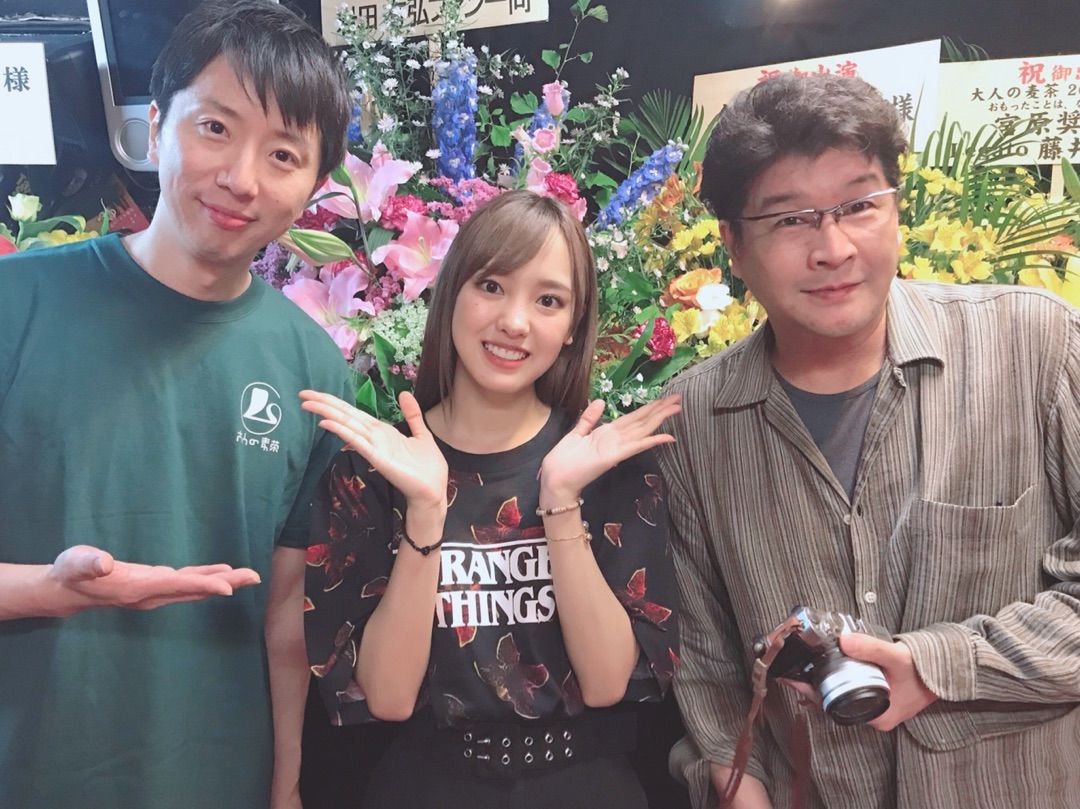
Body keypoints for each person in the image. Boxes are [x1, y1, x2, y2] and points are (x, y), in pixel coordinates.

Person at [659, 73, 1080, 809]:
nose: (832, 248)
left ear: (896, 208)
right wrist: (736, 785)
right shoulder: (692, 421)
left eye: (858, 205)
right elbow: (706, 665)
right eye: (789, 220)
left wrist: (939, 666)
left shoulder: (1035, 346)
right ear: (733, 245)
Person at [0, 2, 351, 808]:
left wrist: (286, 786)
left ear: (313, 188)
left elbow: (285, 612)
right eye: (215, 128)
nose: (242, 179)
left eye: (284, 154)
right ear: (154, 127)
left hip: (215, 777)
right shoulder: (16, 306)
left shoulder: (312, 368)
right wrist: (51, 586)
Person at [302, 190, 682, 808]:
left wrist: (560, 499)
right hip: (428, 786)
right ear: (452, 292)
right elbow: (388, 698)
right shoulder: (373, 472)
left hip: (585, 785)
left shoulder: (607, 468)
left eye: (548, 300)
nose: (515, 322)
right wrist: (427, 509)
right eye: (492, 286)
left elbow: (608, 683)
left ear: (573, 327)